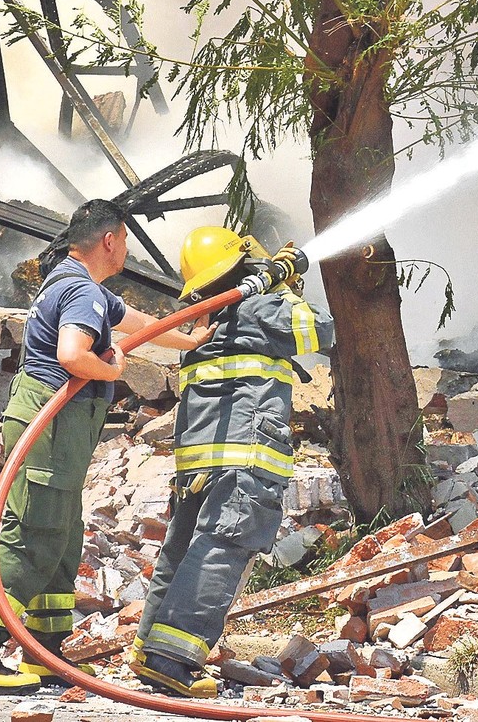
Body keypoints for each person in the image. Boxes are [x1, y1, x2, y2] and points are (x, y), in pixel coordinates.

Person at [0, 200, 211, 694]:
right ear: (110, 240)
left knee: (64, 535)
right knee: (35, 532)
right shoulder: (81, 293)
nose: (128, 250)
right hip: (51, 424)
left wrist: (193, 338)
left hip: (60, 427)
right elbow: (73, 355)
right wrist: (113, 371)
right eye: (127, 240)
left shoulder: (79, 286)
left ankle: (44, 651)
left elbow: (137, 322)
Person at [130, 227, 332, 698]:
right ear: (245, 262)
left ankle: (148, 647)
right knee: (224, 546)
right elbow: (322, 329)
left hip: (198, 460)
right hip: (245, 457)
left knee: (181, 549)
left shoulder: (208, 320)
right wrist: (281, 284)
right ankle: (173, 660)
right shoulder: (261, 307)